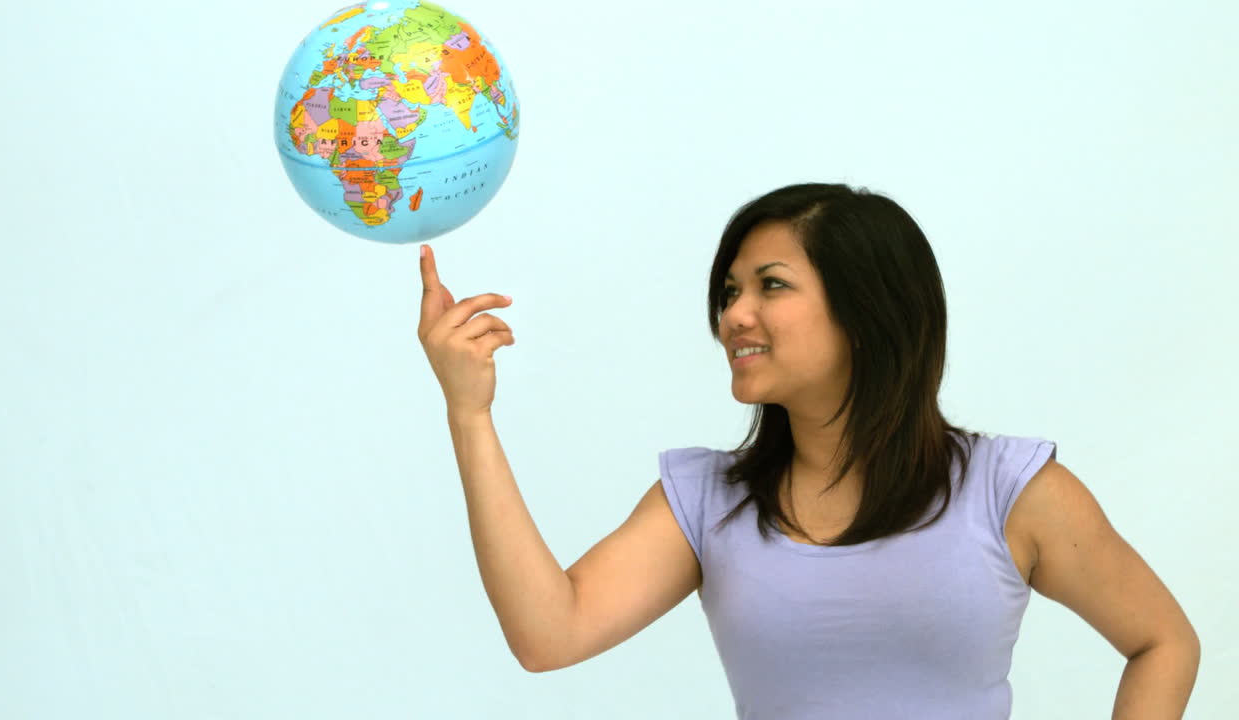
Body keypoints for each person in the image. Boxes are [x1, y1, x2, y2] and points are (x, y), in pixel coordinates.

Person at [416, 183, 1200, 719]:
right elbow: (548, 636)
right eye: (728, 292)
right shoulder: (704, 499)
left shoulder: (1012, 489)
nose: (734, 316)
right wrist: (469, 413)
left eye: (770, 286)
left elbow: (1163, 641)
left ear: (869, 308)